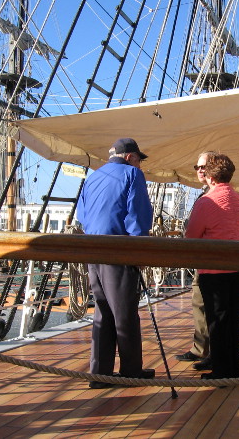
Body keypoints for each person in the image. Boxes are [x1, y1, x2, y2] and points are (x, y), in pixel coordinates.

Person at [77, 137, 155, 389]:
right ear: (131, 157)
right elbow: (137, 215)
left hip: (93, 251)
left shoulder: (92, 177)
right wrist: (139, 251)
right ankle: (131, 371)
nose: (140, 165)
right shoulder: (132, 174)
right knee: (125, 314)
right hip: (118, 251)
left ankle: (100, 373)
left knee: (103, 312)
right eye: (139, 160)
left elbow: (82, 215)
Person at [185, 153, 239, 380]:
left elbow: (191, 237)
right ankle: (233, 369)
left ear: (211, 177)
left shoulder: (206, 202)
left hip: (216, 270)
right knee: (235, 322)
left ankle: (222, 372)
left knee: (218, 320)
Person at [175, 151, 214, 371]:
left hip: (209, 261)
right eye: (197, 166)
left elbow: (193, 232)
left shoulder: (209, 196)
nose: (199, 170)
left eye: (203, 167)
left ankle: (204, 351)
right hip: (206, 259)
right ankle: (202, 349)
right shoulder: (206, 194)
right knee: (201, 304)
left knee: (204, 304)